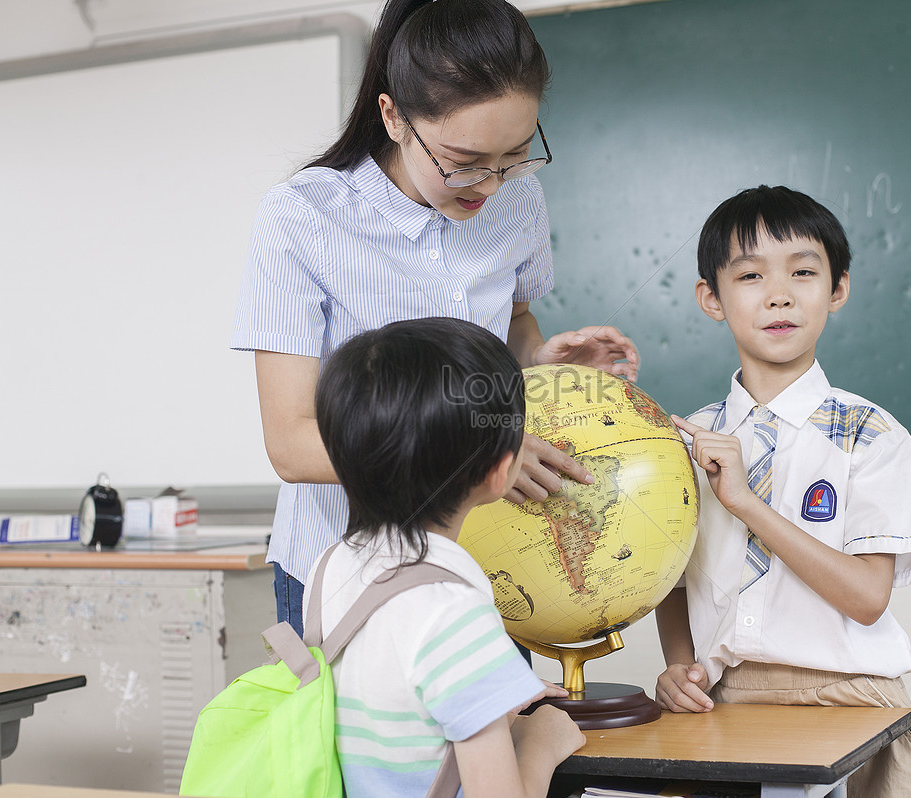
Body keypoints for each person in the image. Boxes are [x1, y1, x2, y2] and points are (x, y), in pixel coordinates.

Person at [230, 0, 639, 635]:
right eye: (464, 160)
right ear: (393, 117)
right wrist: (477, 451)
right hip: (342, 570)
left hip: (488, 563)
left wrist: (537, 358)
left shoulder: (519, 202)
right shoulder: (302, 217)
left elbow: (514, 319)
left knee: (495, 736)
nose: (491, 186)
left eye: (516, 155)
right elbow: (292, 443)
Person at [654, 185, 911, 796]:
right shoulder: (689, 440)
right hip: (724, 704)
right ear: (712, 298)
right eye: (751, 275)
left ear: (837, 289)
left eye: (804, 272)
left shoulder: (870, 436)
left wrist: (748, 505)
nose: (779, 294)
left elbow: (868, 597)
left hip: (848, 702)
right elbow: (671, 579)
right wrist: (680, 665)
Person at [306, 317, 586, 798]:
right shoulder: (453, 614)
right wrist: (540, 743)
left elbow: (399, 715)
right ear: (501, 472)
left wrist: (488, 693)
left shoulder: (329, 568)